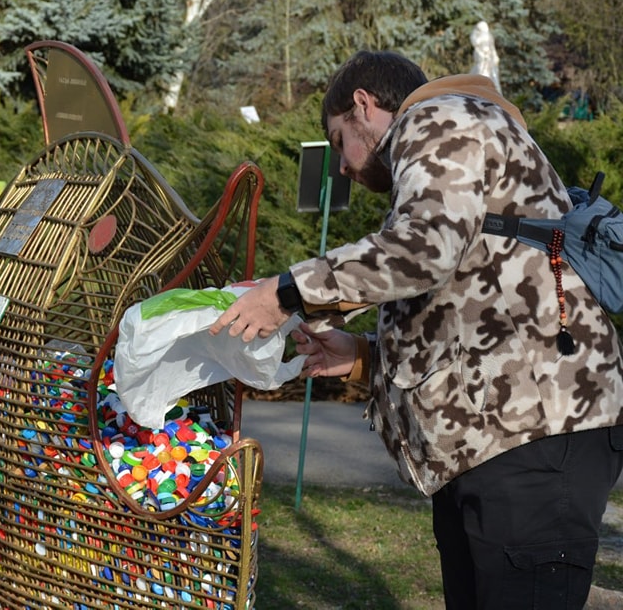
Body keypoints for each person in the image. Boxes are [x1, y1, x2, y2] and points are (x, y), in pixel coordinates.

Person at [208, 50, 623, 609]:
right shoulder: (454, 138)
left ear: (364, 105)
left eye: (338, 142)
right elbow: (465, 312)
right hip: (503, 443)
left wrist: (287, 292)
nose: (343, 168)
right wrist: (360, 356)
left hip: (532, 441)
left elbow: (423, 252)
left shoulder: (440, 118)